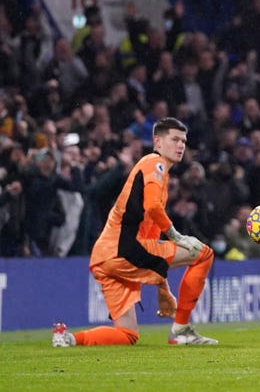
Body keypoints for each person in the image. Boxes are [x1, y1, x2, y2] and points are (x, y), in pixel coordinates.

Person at [52, 117, 217, 347]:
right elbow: (152, 207)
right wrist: (176, 236)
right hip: (126, 249)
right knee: (203, 254)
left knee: (127, 334)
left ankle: (67, 338)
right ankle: (181, 330)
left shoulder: (156, 172)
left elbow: (151, 246)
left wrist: (162, 286)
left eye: (184, 141)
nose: (181, 145)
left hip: (106, 257)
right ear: (157, 142)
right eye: (175, 139)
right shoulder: (155, 163)